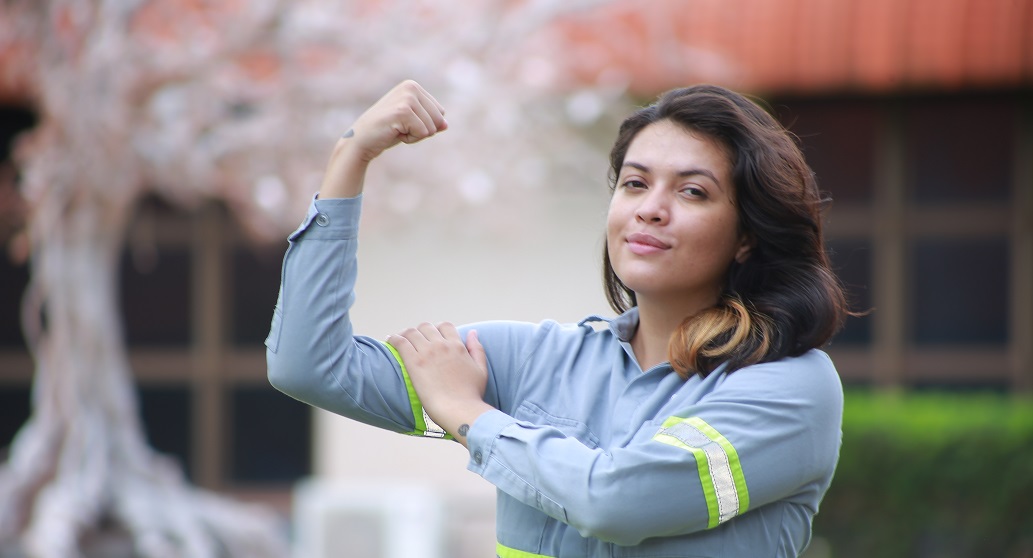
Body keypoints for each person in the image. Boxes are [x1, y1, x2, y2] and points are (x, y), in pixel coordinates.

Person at [267, 79, 849, 557]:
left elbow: (618, 503)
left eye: (693, 192)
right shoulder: (536, 360)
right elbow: (310, 366)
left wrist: (468, 413)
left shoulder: (790, 387)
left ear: (747, 235)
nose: (650, 208)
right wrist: (351, 158)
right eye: (635, 183)